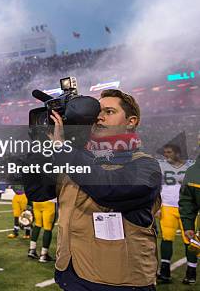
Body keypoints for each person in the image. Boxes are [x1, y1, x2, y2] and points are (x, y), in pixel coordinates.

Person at [26, 89, 162, 290]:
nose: (99, 117)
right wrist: (41, 146)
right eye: (97, 112)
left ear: (131, 121)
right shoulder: (76, 157)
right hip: (71, 274)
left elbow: (108, 190)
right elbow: (36, 192)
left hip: (120, 282)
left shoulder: (145, 165)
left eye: (109, 112)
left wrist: (63, 149)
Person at [156, 143, 196, 284]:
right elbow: (158, 186)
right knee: (166, 239)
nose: (166, 155)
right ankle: (165, 272)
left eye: (169, 152)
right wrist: (158, 206)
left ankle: (191, 273)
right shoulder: (161, 166)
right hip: (167, 206)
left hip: (187, 209)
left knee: (189, 240)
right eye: (165, 152)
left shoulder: (190, 167)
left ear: (178, 153)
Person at [179, 156, 200, 285]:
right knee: (194, 247)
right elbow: (187, 201)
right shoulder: (193, 172)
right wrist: (188, 226)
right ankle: (191, 271)